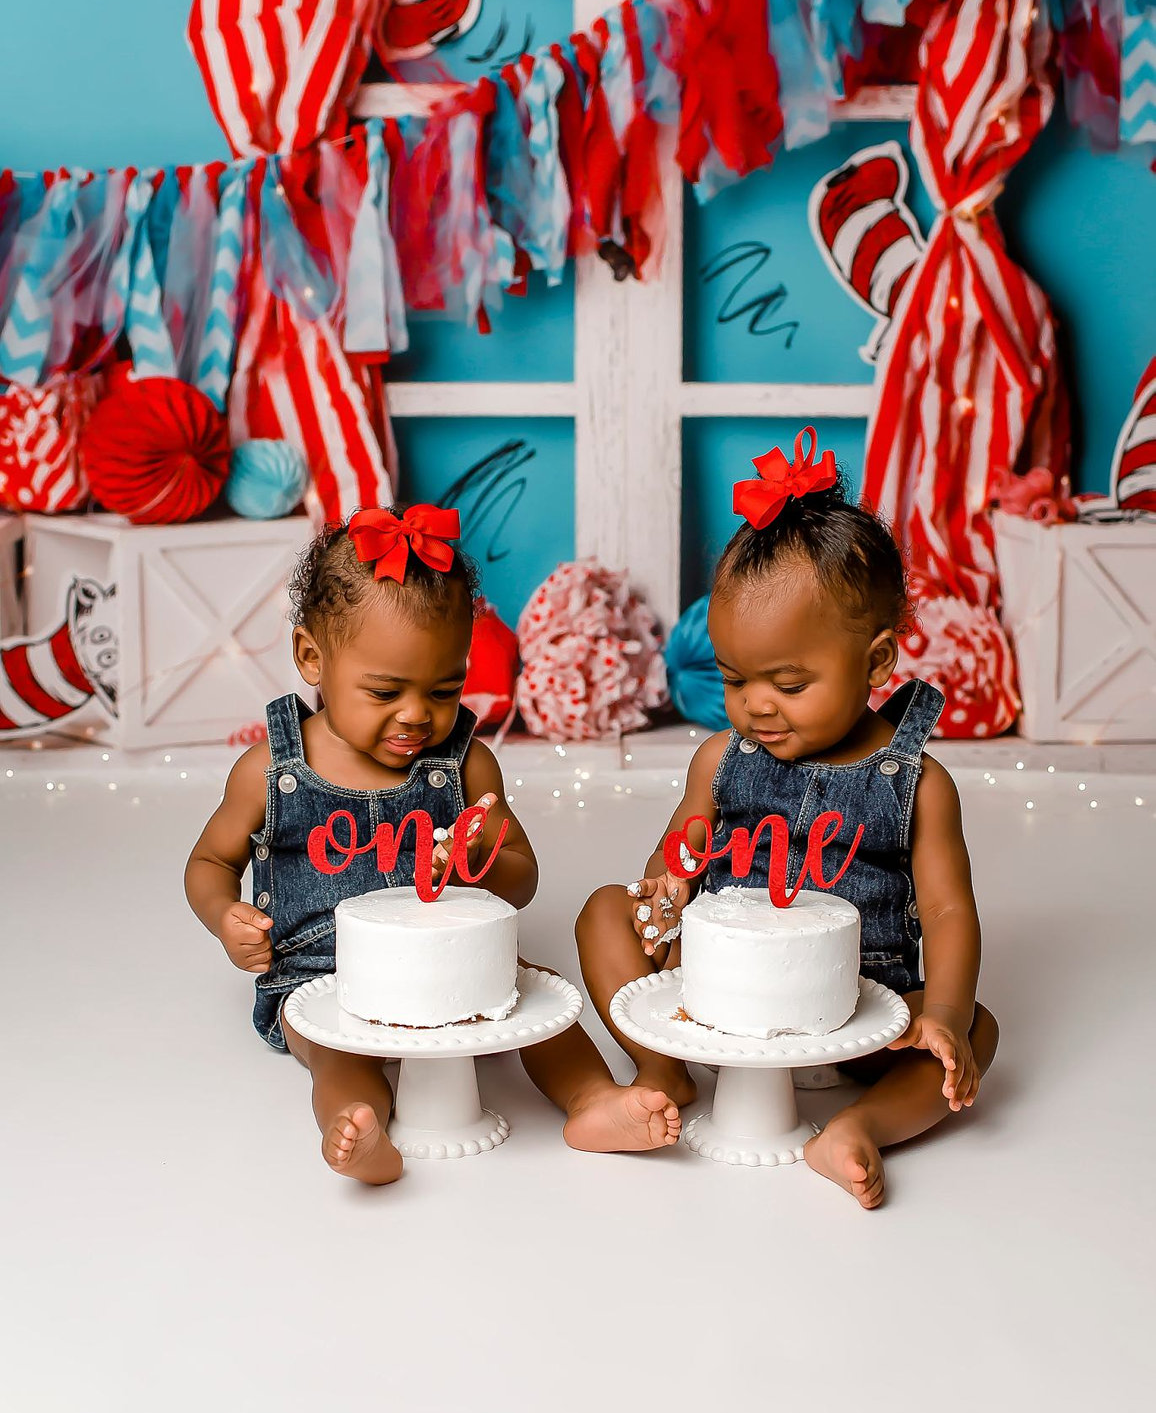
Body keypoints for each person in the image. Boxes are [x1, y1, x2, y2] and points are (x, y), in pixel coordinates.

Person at [185, 504, 680, 1185]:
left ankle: (590, 1100)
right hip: (324, 977)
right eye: (386, 691)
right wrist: (224, 915)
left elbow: (522, 874)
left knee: (543, 998)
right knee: (336, 1054)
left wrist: (476, 863)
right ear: (312, 658)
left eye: (444, 688)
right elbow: (211, 862)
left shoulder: (463, 766)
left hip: (454, 967)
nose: (418, 714)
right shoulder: (273, 770)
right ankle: (357, 1128)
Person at [574, 432, 998, 1208]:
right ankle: (663, 1076)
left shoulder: (917, 783)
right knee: (602, 910)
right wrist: (667, 889)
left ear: (875, 664)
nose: (757, 705)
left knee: (979, 1029)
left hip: (859, 1009)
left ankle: (857, 1127)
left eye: (790, 682)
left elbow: (945, 908)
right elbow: (675, 854)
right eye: (736, 679)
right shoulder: (720, 759)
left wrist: (942, 1015)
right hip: (718, 996)